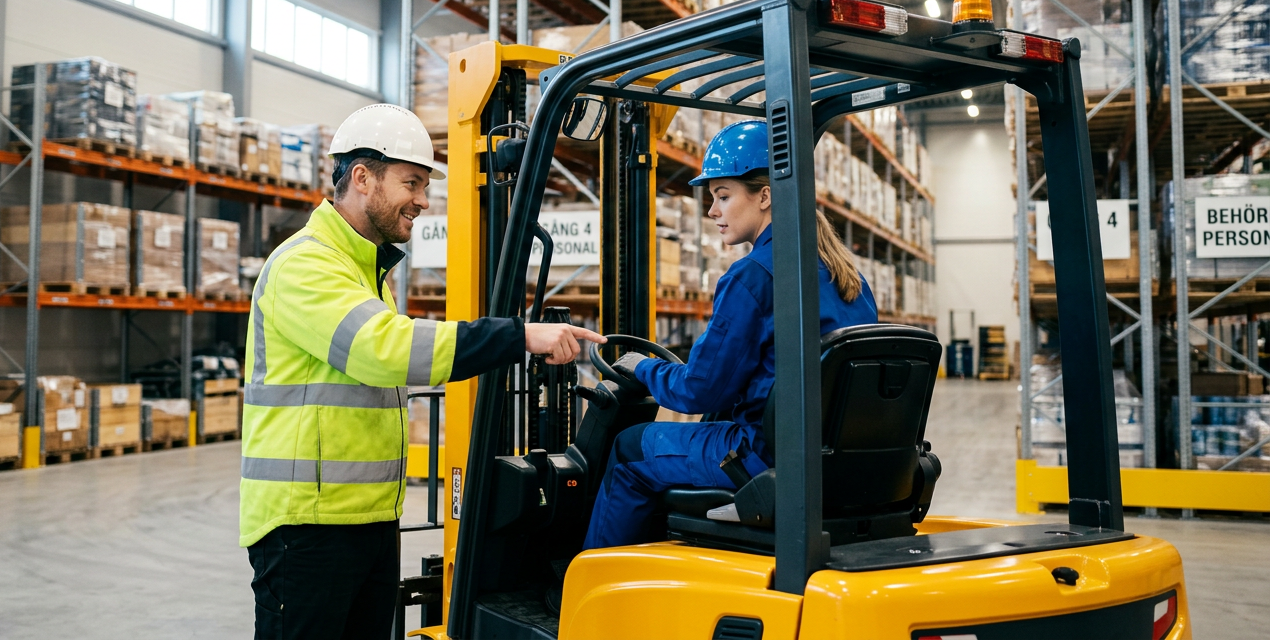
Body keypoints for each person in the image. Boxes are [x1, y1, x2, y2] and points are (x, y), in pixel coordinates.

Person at [241, 103, 605, 640]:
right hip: (306, 527)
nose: (423, 201)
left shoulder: (367, 272)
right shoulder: (306, 264)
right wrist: (515, 336)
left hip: (363, 520)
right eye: (411, 183)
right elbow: (382, 350)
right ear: (362, 178)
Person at [582, 119, 877, 550]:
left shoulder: (754, 276)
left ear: (764, 196)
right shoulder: (844, 273)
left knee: (630, 448)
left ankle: (592, 582)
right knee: (707, 423)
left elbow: (699, 390)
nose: (712, 211)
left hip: (764, 455)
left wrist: (642, 368)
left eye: (723, 196)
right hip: (830, 457)